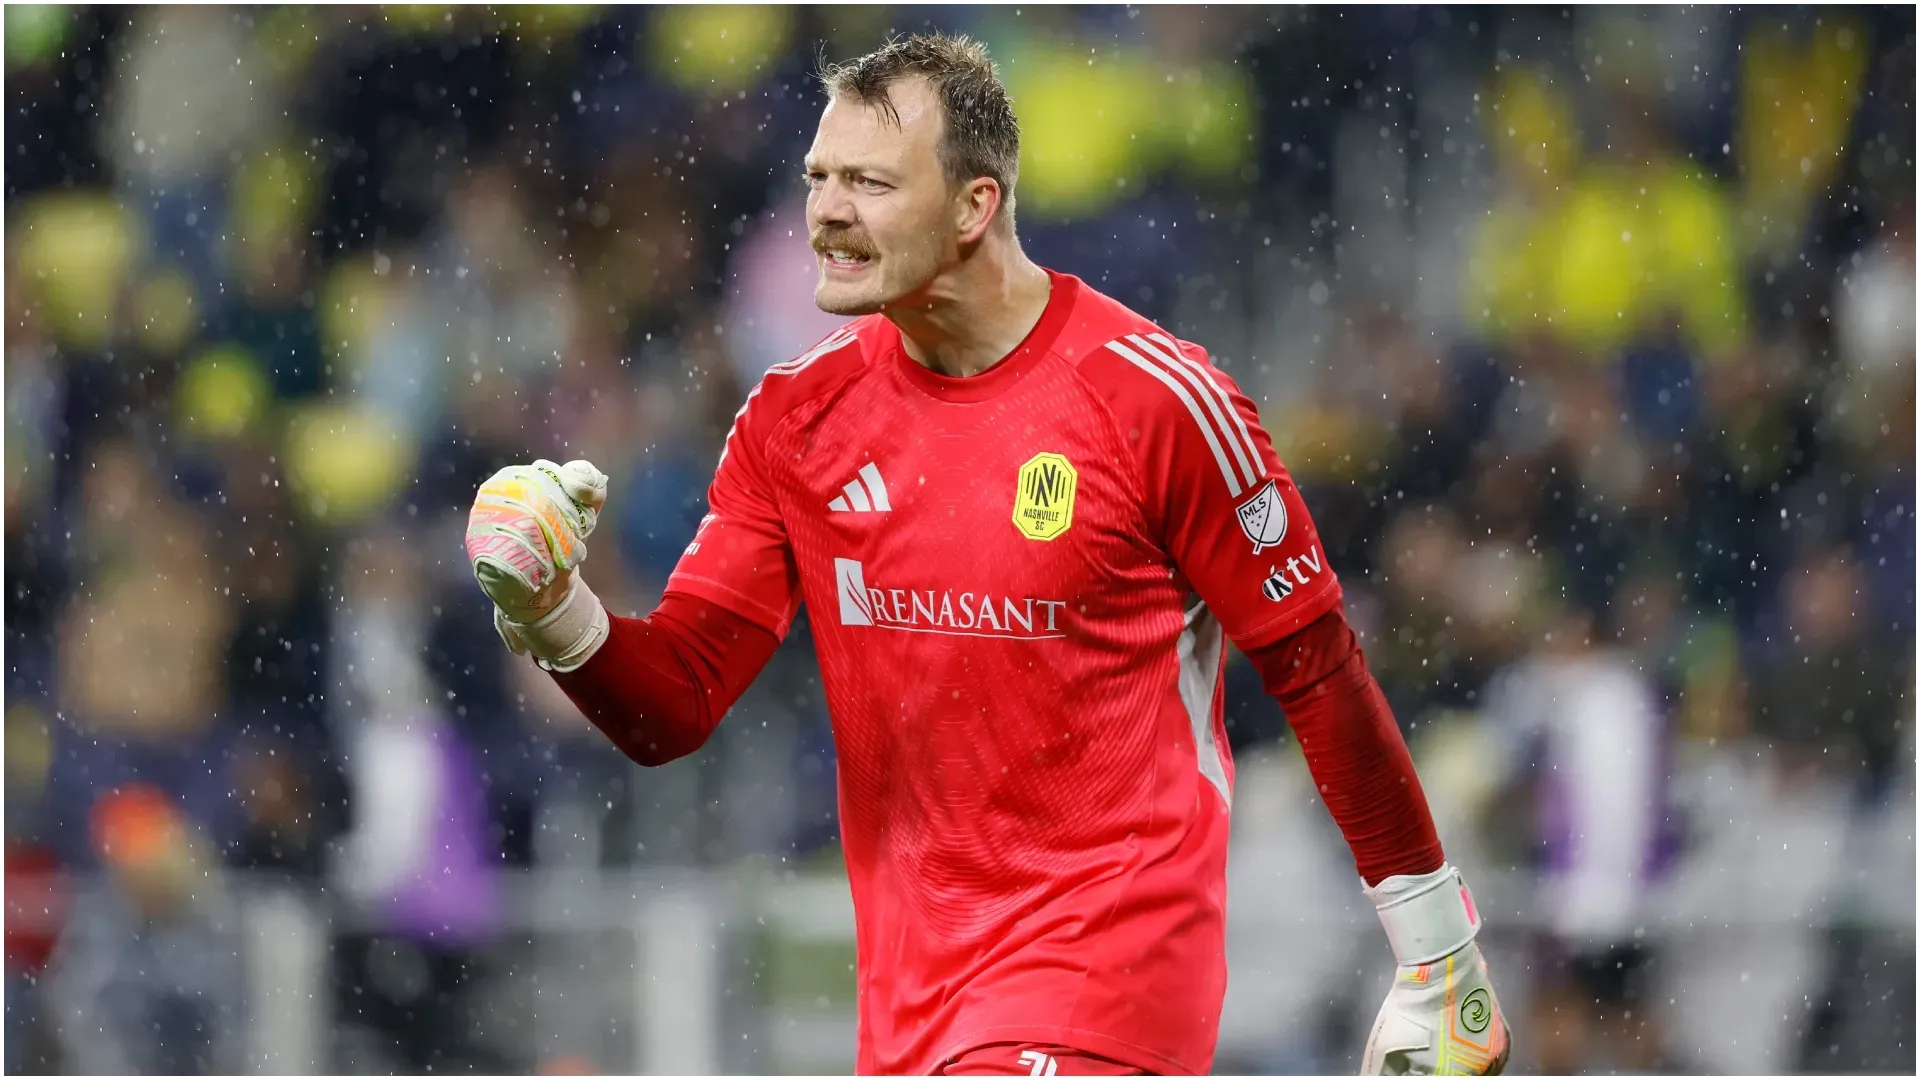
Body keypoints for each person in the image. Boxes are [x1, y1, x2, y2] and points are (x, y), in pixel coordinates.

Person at [464, 34, 1509, 1077]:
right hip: (912, 1022)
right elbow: (674, 704)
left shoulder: (1157, 403)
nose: (827, 211)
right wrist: (553, 608)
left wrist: (1438, 956)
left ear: (975, 206)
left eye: (871, 183)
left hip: (1107, 987)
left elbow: (1317, 671)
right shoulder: (797, 421)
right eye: (819, 178)